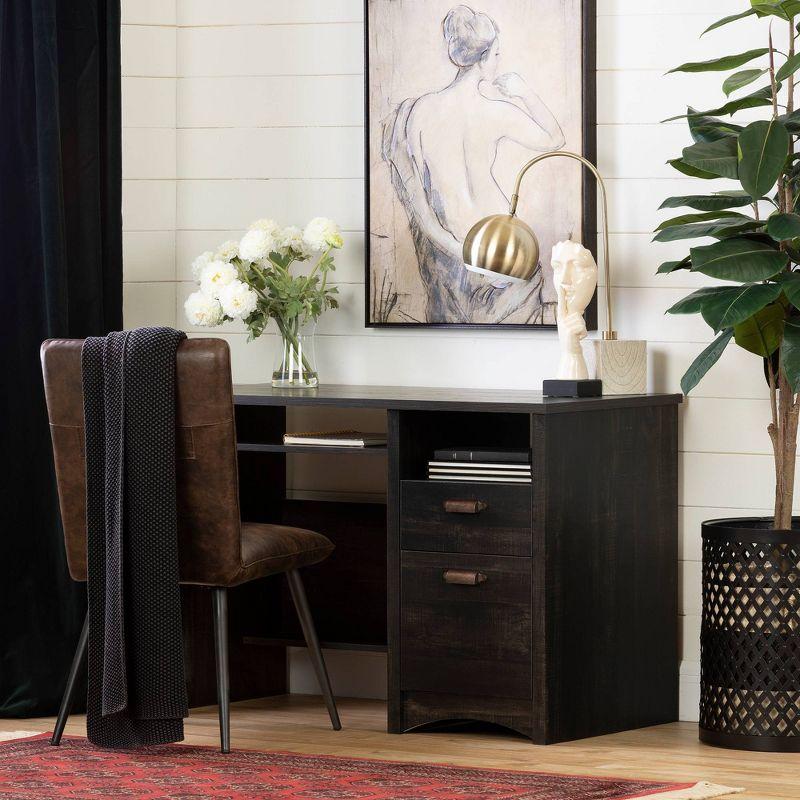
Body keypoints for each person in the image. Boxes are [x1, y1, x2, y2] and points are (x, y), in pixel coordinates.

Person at [381, 4, 565, 324]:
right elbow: (554, 138)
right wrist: (525, 93)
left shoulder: (418, 112)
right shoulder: (494, 110)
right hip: (504, 252)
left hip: (453, 253)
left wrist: (461, 254)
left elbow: (422, 209)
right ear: (485, 58)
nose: (497, 62)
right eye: (496, 55)